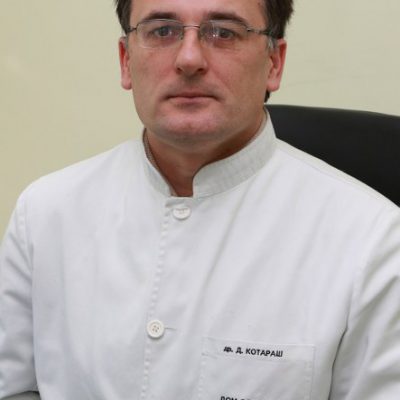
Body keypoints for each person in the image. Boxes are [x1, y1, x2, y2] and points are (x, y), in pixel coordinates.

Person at [0, 0, 399, 399]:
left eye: (224, 32)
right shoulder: (45, 213)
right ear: (125, 61)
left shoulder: (373, 241)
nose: (189, 59)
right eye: (162, 31)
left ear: (274, 63)